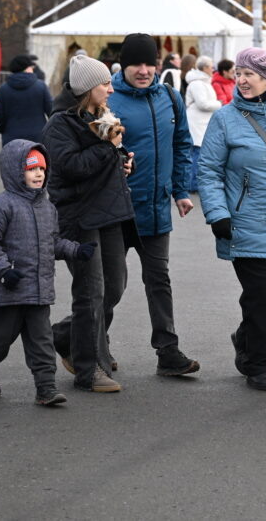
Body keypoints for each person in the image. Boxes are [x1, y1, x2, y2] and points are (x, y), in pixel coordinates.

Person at [198, 48, 266, 391]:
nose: (242, 80)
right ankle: (258, 365)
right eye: (239, 74)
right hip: (244, 222)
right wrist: (217, 213)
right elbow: (208, 170)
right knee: (261, 294)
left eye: (250, 74)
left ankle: (244, 335)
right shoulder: (225, 118)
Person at [0, 141, 95, 406]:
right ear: (16, 171)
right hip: (9, 291)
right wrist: (3, 270)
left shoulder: (47, 208)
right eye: (31, 169)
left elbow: (53, 243)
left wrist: (76, 249)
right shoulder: (3, 205)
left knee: (42, 342)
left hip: (39, 292)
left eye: (42, 169)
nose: (39, 174)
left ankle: (46, 388)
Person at [107, 33, 200, 377]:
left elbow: (181, 144)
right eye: (137, 64)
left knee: (159, 280)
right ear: (124, 66)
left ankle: (167, 350)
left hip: (157, 207)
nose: (144, 70)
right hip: (116, 211)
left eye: (150, 64)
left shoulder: (170, 98)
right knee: (111, 286)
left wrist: (181, 191)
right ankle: (84, 341)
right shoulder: (109, 100)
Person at [43, 54, 134, 393]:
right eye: (105, 84)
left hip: (109, 212)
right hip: (78, 217)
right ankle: (88, 369)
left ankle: (67, 336)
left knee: (115, 285)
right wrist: (107, 147)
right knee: (90, 292)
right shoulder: (60, 125)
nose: (111, 88)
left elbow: (111, 156)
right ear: (86, 89)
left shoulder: (101, 115)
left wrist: (125, 162)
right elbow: (69, 167)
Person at [0, 54, 53, 146]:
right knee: (36, 160)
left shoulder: (4, 89)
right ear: (27, 68)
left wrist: (4, 130)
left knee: (13, 160)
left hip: (11, 137)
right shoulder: (41, 86)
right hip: (37, 137)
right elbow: (51, 111)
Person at [184, 55, 222, 193]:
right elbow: (203, 104)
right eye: (211, 66)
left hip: (202, 123)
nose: (213, 69)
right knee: (196, 154)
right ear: (205, 68)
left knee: (198, 154)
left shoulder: (203, 82)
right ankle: (192, 184)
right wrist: (220, 104)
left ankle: (194, 183)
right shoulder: (197, 84)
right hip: (197, 124)